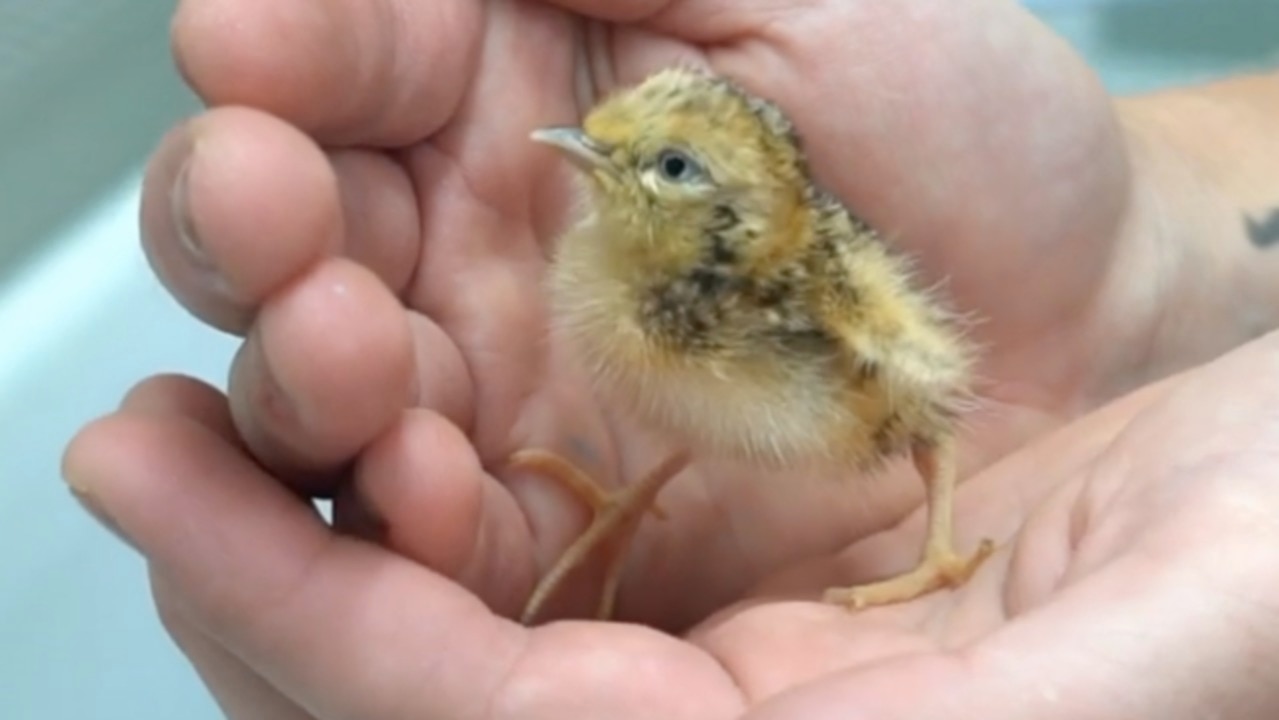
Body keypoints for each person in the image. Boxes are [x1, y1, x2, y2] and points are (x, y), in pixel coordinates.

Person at [63, 0, 1279, 717]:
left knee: (876, 402)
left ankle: (928, 538)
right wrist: (1151, 240)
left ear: (719, 212)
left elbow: (909, 386)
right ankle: (624, 508)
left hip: (848, 363)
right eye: (609, 150)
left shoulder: (751, 288)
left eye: (663, 168)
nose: (596, 162)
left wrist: (935, 554)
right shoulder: (620, 268)